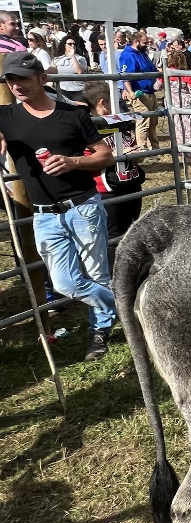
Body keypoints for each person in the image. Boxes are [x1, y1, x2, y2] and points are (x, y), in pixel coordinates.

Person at [0, 52, 117, 360]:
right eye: (11, 81)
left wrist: (73, 161)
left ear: (43, 79)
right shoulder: (6, 118)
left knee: (96, 274)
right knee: (66, 283)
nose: (17, 86)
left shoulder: (73, 114)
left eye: (23, 79)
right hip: (44, 215)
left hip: (82, 206)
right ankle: (128, 306)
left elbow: (105, 156)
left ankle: (99, 333)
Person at [81, 81, 145, 264]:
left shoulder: (123, 120)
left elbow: (133, 146)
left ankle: (132, 267)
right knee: (114, 236)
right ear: (103, 103)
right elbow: (88, 159)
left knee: (133, 229)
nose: (121, 104)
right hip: (108, 189)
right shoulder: (88, 126)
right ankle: (115, 274)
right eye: (115, 100)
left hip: (131, 183)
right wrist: (116, 156)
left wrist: (136, 153)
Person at [118, 31, 160, 152]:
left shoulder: (142, 53)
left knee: (153, 120)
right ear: (136, 42)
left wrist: (158, 76)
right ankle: (141, 147)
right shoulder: (128, 55)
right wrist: (130, 92)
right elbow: (125, 75)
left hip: (150, 91)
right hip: (139, 92)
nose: (147, 44)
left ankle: (155, 147)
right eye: (144, 42)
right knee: (143, 118)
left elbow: (151, 68)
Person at [52, 35, 88, 102]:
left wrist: (72, 56)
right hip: (62, 91)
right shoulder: (58, 59)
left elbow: (79, 72)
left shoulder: (80, 58)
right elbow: (53, 72)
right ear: (64, 45)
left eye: (74, 44)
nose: (72, 45)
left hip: (78, 91)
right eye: (70, 44)